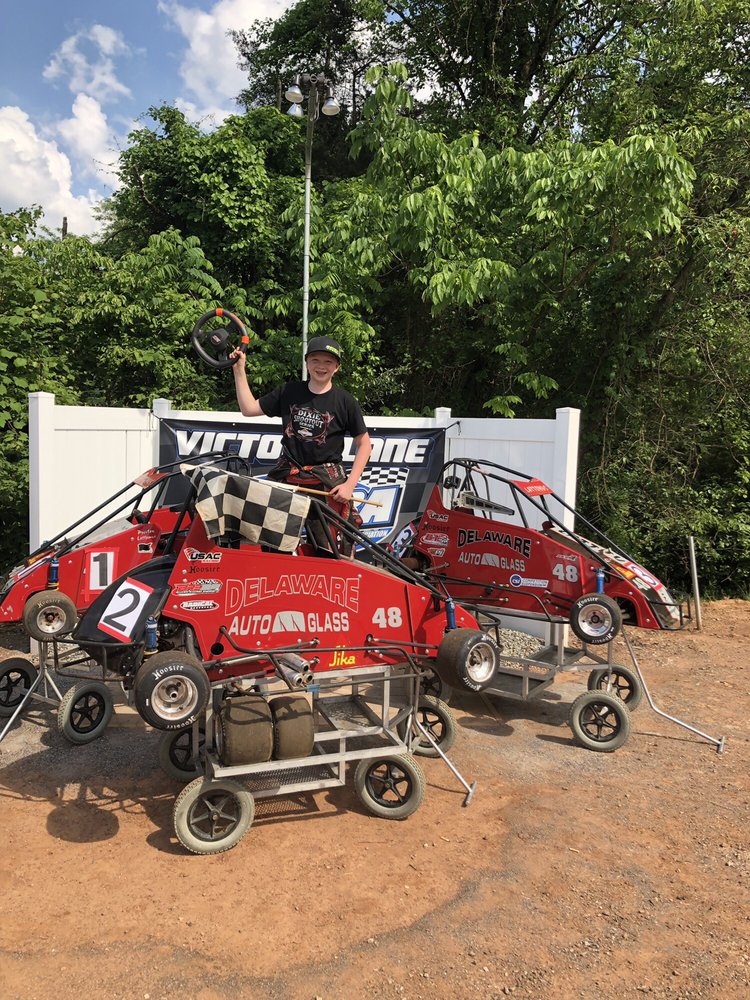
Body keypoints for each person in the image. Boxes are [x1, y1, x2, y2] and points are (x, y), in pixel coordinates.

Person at [230, 335, 372, 551]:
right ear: (306, 363)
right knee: (274, 546)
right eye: (315, 360)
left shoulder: (345, 401)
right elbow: (248, 409)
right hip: (287, 478)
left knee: (330, 550)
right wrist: (239, 370)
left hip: (326, 483)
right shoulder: (289, 391)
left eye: (328, 362)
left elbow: (365, 445)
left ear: (337, 367)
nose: (321, 366)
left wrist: (350, 485)